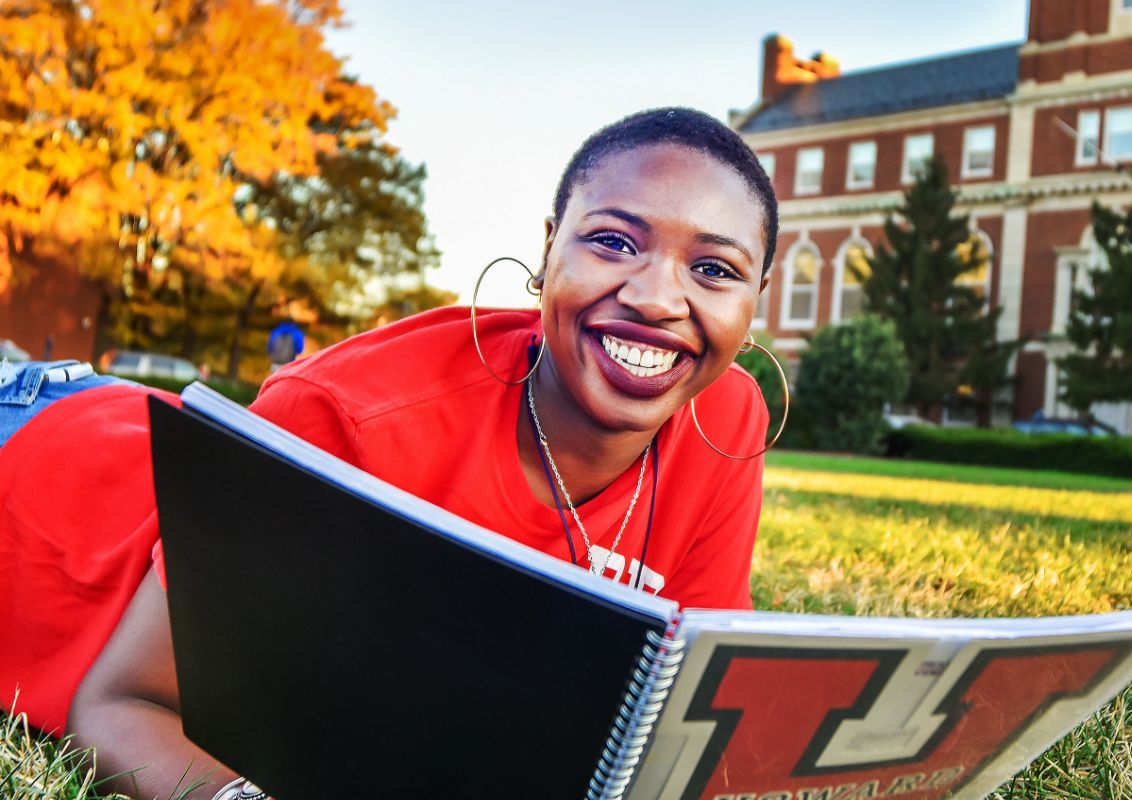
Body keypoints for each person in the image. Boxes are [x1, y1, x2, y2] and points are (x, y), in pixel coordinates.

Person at [0, 107, 783, 800]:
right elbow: (120, 708)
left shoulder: (726, 413)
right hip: (39, 462)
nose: (655, 298)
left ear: (755, 302)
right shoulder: (349, 418)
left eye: (714, 269)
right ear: (549, 250)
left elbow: (676, 735)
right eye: (613, 242)